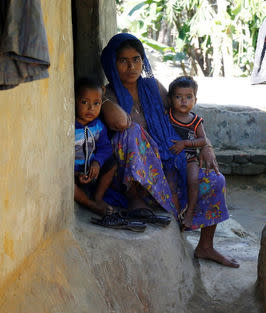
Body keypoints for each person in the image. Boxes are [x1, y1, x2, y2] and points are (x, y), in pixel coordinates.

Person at [99, 33, 239, 268]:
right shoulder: (106, 94)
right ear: (112, 63)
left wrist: (207, 145)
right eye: (123, 61)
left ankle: (206, 246)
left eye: (136, 59)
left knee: (214, 179)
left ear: (143, 61)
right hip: (129, 172)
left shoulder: (152, 87)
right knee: (132, 132)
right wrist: (105, 100)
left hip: (167, 159)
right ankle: (135, 198)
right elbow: (121, 124)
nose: (131, 66)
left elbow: (184, 115)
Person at [167, 76, 207, 229]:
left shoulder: (196, 121)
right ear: (171, 99)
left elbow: (203, 140)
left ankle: (190, 212)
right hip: (171, 158)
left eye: (188, 97)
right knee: (171, 183)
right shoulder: (167, 116)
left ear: (195, 100)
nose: (184, 101)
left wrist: (185, 143)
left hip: (190, 159)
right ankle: (176, 215)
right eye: (178, 97)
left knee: (193, 181)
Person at [74, 77, 117, 216]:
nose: (91, 108)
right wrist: (76, 173)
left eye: (96, 103)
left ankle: (98, 197)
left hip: (92, 170)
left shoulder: (98, 126)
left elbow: (105, 148)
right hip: (74, 173)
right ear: (75, 100)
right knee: (66, 183)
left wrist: (97, 163)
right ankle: (91, 204)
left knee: (112, 164)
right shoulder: (70, 127)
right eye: (84, 102)